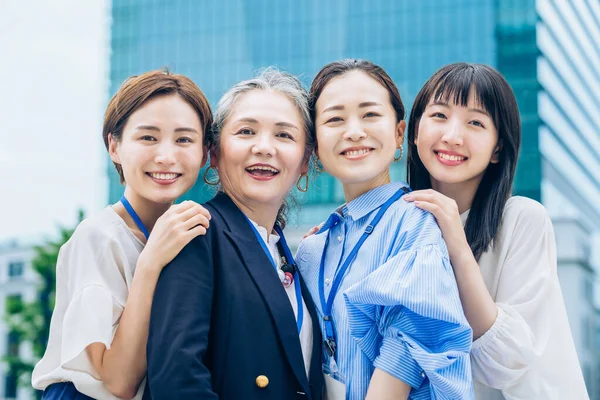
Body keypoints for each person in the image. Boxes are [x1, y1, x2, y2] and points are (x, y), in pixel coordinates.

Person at [403, 62, 588, 399]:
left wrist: (458, 246)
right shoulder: (398, 226)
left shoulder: (522, 220)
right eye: (440, 115)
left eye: (475, 122)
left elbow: (504, 363)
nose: (452, 136)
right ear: (415, 131)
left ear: (498, 148)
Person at [296, 59, 473, 400]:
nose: (354, 131)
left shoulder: (415, 221)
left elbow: (409, 341)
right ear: (315, 144)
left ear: (398, 134)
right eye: (334, 119)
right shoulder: (311, 248)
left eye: (370, 114)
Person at [31, 70, 213, 399]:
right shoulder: (99, 237)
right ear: (114, 146)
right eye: (148, 137)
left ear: (205, 152)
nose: (166, 156)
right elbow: (118, 381)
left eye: (184, 139)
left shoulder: (188, 234)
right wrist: (150, 263)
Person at [144, 68, 324, 399]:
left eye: (284, 135)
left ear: (305, 160)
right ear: (214, 152)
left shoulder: (286, 253)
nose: (264, 147)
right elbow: (178, 378)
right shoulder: (198, 233)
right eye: (245, 131)